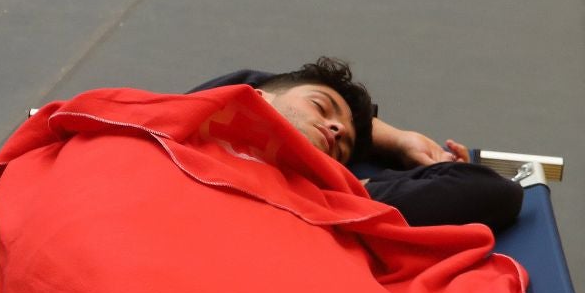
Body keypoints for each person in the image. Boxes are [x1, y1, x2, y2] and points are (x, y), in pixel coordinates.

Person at [192, 58, 524, 230]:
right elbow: (256, 82)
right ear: (257, 100)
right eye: (321, 107)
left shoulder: (336, 201)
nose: (336, 129)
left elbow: (492, 192)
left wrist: (348, 181)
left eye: (345, 147)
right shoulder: (190, 124)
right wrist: (395, 137)